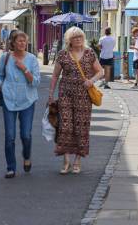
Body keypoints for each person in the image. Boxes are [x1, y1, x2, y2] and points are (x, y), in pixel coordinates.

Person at [49, 27, 104, 174]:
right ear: (69, 40)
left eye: (80, 36)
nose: (78, 39)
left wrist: (91, 81)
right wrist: (50, 94)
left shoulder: (89, 53)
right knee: (65, 126)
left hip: (84, 97)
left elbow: (101, 71)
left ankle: (77, 161)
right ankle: (66, 161)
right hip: (65, 94)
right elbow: (55, 76)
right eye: (75, 37)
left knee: (81, 128)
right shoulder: (62, 55)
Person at [0, 30, 41, 179]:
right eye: (19, 41)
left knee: (25, 135)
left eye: (24, 41)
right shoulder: (5, 57)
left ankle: (27, 157)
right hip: (9, 99)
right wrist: (0, 84)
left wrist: (24, 69)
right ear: (13, 43)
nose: (22, 43)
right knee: (10, 136)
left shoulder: (32, 59)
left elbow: (36, 82)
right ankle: (11, 167)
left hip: (27, 100)